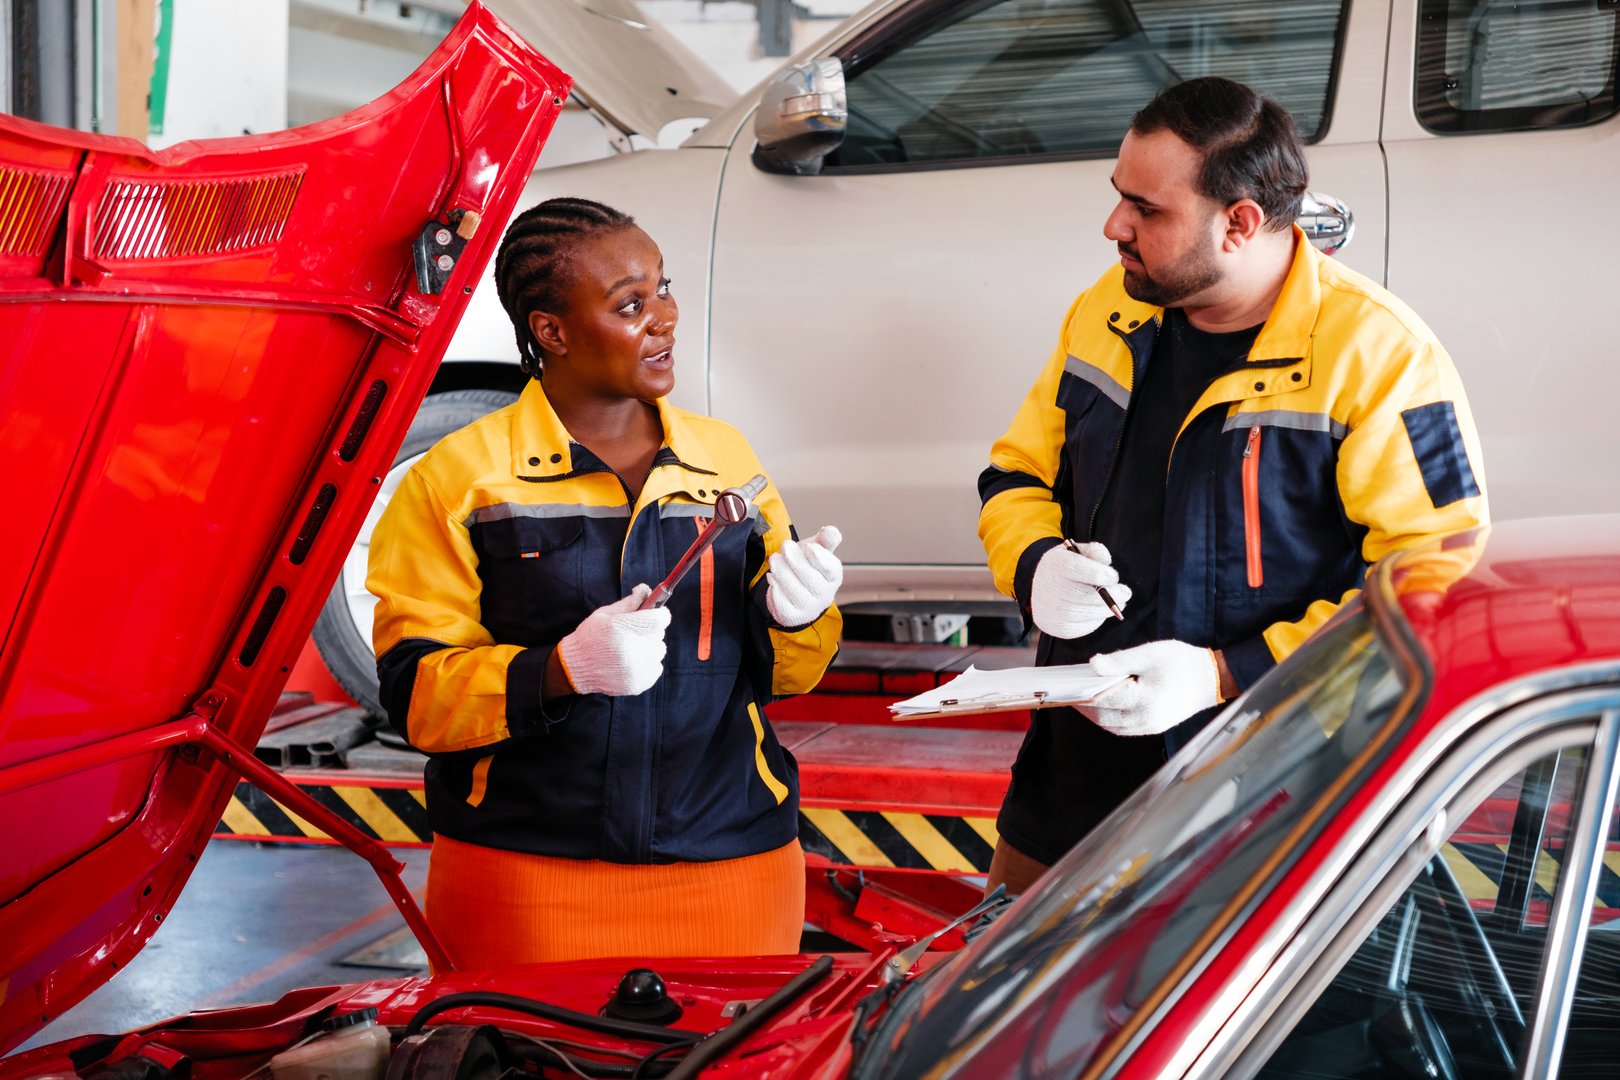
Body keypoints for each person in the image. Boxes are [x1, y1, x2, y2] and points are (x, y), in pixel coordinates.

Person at [976, 77, 1488, 896]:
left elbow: (1431, 583)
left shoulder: (1381, 356)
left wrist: (1229, 673)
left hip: (1265, 797)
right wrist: (1034, 561)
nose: (1114, 227)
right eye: (1118, 198)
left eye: (1147, 210)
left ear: (1241, 222)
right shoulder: (1107, 312)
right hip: (1072, 786)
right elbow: (1014, 473)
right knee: (999, 1017)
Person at [367, 197, 844, 966]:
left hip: (731, 867)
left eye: (664, 288)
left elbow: (786, 678)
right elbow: (420, 701)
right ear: (550, 331)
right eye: (631, 304)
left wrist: (798, 619)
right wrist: (558, 671)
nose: (666, 317)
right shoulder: (459, 481)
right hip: (524, 876)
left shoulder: (726, 461)